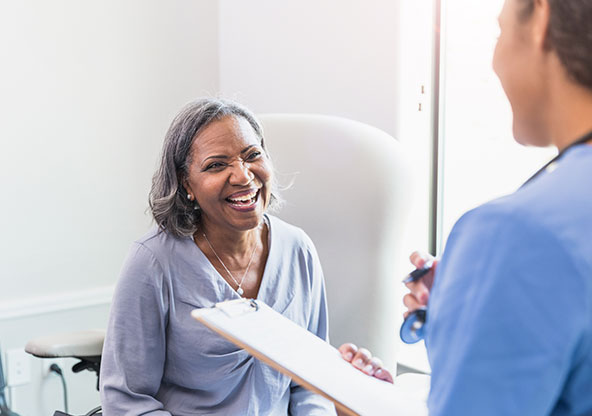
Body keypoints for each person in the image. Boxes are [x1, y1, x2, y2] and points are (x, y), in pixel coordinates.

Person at [340, 0, 592, 414]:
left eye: (499, 31)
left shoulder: (515, 233)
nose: (494, 62)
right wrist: (470, 313)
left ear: (540, 20)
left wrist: (359, 407)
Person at [100, 98, 336, 415]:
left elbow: (311, 381)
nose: (242, 176)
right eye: (216, 165)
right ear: (187, 185)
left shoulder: (298, 249)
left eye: (252, 155)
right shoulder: (153, 261)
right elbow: (126, 401)